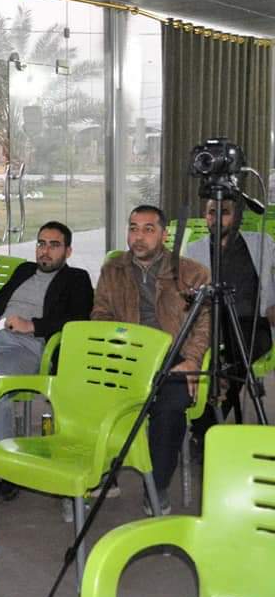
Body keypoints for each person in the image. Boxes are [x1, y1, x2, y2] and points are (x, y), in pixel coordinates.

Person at [92, 205, 209, 515]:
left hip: (174, 354)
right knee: (94, 394)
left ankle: (156, 486)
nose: (138, 237)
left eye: (148, 229)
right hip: (127, 353)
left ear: (164, 235)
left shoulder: (192, 272)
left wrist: (192, 360)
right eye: (133, 228)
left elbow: (206, 324)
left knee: (170, 405)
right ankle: (104, 471)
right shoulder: (113, 269)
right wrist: (119, 346)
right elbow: (100, 314)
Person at [0, 221, 93, 434]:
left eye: (54, 245)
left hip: (29, 346)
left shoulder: (76, 278)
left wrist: (32, 325)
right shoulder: (24, 270)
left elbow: (78, 320)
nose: (45, 251)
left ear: (68, 251)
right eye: (41, 244)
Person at [185, 198, 273, 448]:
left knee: (233, 360)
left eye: (223, 212)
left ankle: (205, 430)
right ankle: (210, 427)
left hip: (252, 323)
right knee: (208, 360)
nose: (216, 218)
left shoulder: (261, 243)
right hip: (211, 322)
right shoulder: (194, 250)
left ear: (237, 217)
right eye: (211, 212)